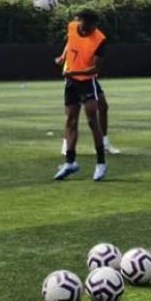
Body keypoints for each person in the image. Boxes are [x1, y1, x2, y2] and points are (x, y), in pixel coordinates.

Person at [54, 11, 109, 181]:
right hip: (71, 82)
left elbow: (96, 69)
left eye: (88, 26)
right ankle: (70, 162)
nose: (84, 29)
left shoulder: (100, 40)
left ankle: (101, 163)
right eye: (82, 25)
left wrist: (74, 72)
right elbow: (70, 41)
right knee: (71, 120)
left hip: (86, 81)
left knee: (92, 120)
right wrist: (63, 57)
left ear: (94, 25)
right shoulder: (72, 27)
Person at [57, 29, 121, 156]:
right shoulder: (77, 33)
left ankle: (104, 143)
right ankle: (66, 144)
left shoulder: (92, 36)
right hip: (73, 75)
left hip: (87, 77)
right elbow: (69, 44)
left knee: (103, 106)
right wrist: (63, 57)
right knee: (73, 113)